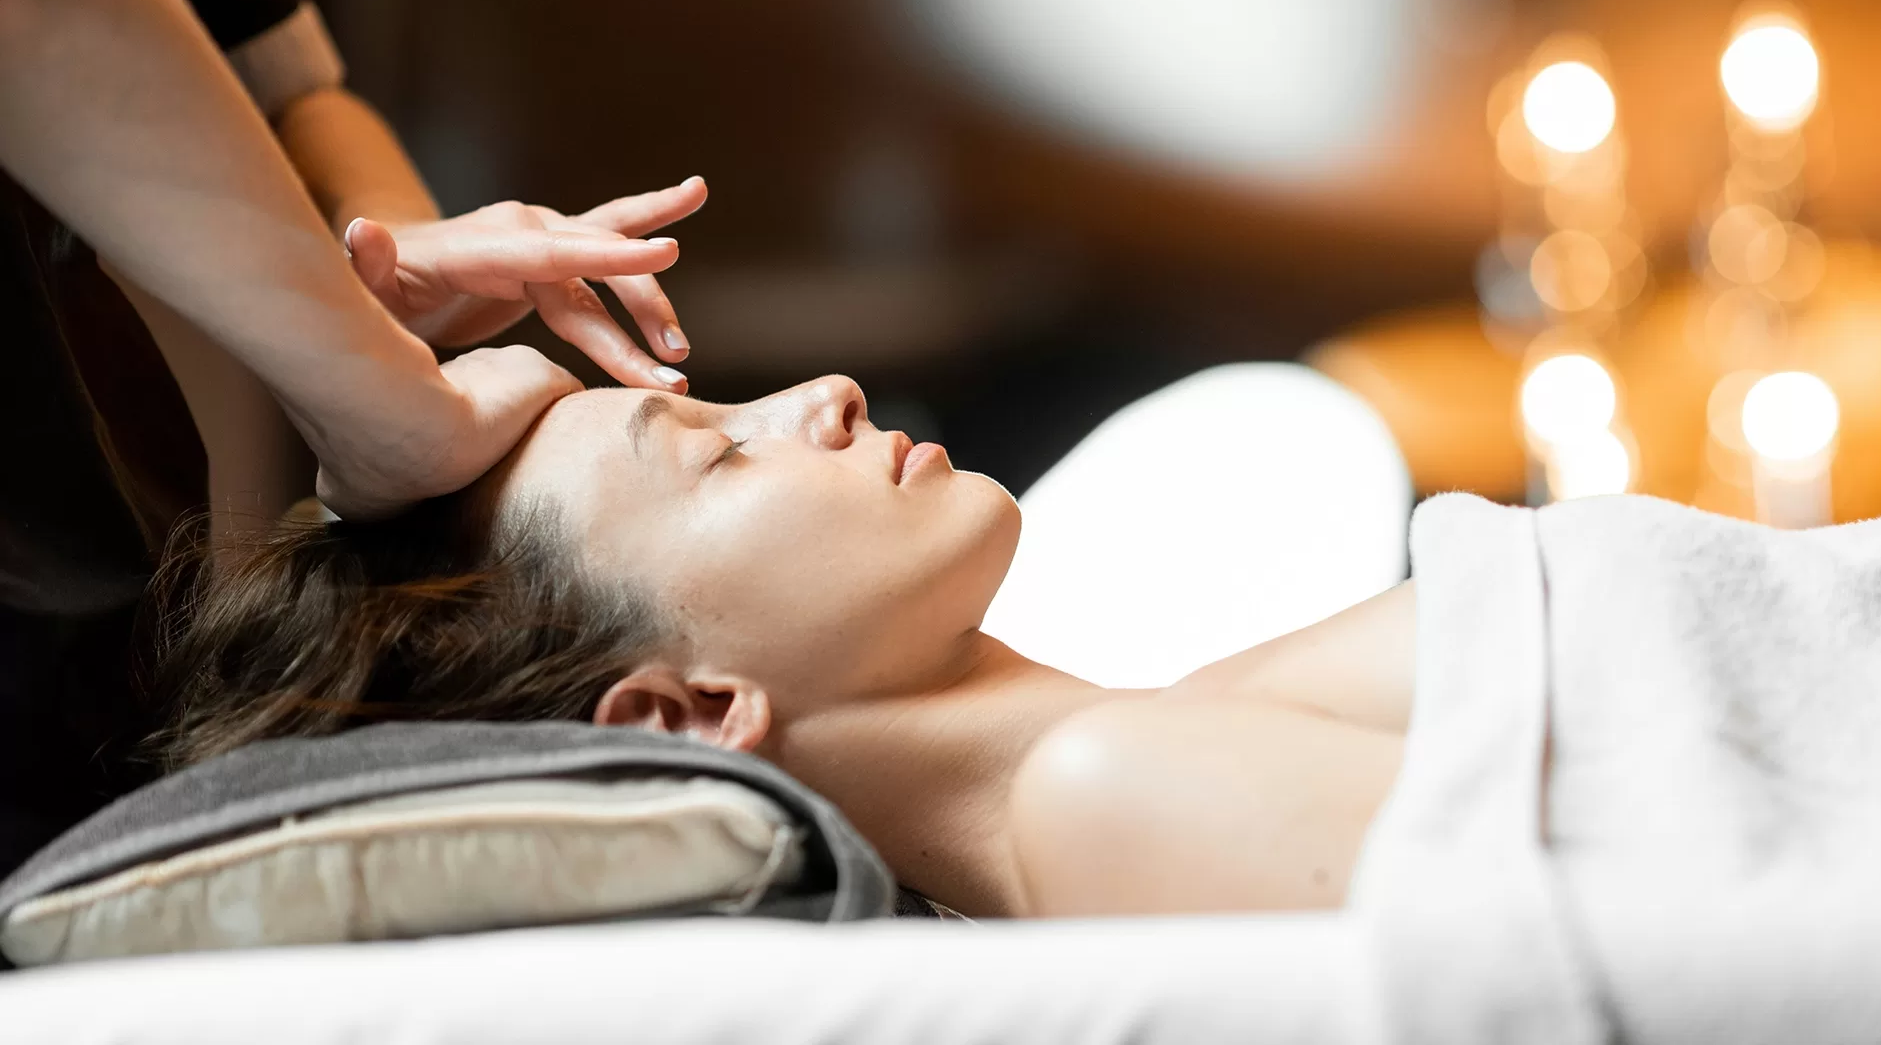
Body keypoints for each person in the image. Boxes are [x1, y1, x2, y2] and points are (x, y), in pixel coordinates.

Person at [154, 377, 1417, 917]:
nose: (827, 396)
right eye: (718, 452)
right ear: (688, 716)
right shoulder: (1110, 802)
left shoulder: (1172, 739)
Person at [0, 0, 703, 875]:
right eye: (717, 453)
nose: (833, 395)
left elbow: (283, 87)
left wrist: (383, 240)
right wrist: (376, 397)